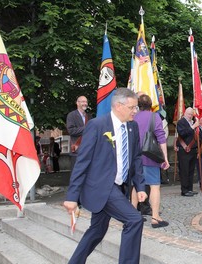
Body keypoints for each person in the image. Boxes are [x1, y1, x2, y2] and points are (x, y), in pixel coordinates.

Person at [63, 88, 147, 264]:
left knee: (97, 230)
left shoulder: (132, 126)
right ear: (118, 106)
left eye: (136, 107)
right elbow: (82, 162)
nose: (135, 111)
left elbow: (136, 158)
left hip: (119, 187)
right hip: (101, 186)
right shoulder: (97, 125)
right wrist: (72, 197)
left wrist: (140, 186)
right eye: (132, 107)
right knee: (134, 220)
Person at [134, 94, 170, 228]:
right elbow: (161, 138)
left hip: (135, 158)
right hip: (150, 157)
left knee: (135, 186)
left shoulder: (133, 116)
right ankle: (155, 218)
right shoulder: (155, 117)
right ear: (151, 105)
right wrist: (165, 158)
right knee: (154, 186)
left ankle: (133, 215)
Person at [175, 107, 199, 197]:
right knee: (184, 170)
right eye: (189, 114)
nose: (190, 116)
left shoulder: (192, 122)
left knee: (191, 170)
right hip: (184, 150)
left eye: (191, 114)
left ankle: (190, 188)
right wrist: (193, 127)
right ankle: (184, 190)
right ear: (185, 113)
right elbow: (182, 133)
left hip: (192, 149)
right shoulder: (181, 122)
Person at [66, 96, 91, 170]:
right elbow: (71, 131)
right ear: (77, 103)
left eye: (86, 102)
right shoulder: (71, 115)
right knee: (76, 175)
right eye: (83, 101)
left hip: (88, 150)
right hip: (77, 150)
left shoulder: (89, 116)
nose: (85, 103)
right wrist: (86, 128)